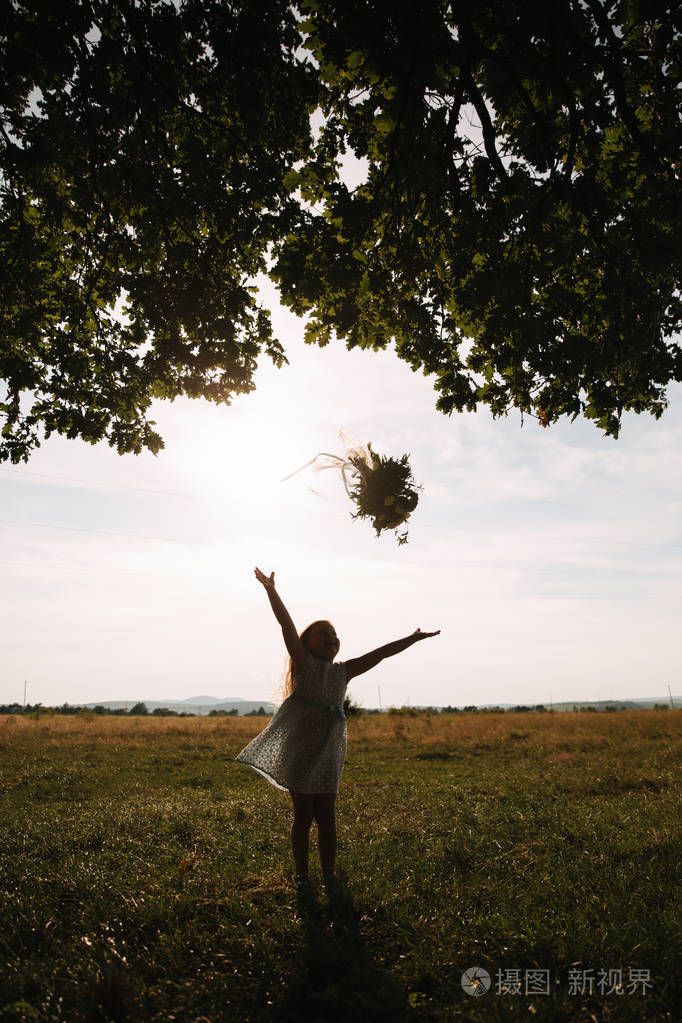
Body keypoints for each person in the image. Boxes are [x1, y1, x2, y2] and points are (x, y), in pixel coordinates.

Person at [236, 566, 440, 889]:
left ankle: (329, 874)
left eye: (334, 634)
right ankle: (302, 874)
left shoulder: (344, 671)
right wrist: (271, 590)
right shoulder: (304, 663)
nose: (332, 637)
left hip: (330, 752)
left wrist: (412, 639)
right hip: (302, 749)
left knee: (327, 815)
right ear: (306, 643)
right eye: (323, 633)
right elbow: (286, 624)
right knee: (303, 815)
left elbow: (382, 654)